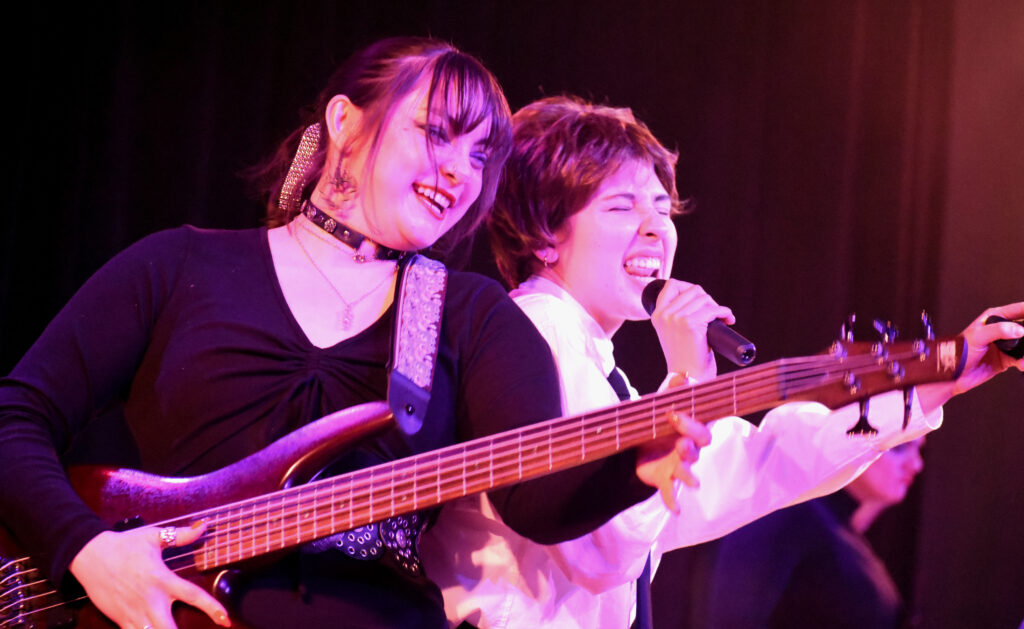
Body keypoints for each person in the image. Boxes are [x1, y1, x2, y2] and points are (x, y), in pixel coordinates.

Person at [0, 40, 699, 629]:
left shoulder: (470, 313)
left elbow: (536, 501)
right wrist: (87, 548)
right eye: (436, 133)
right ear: (344, 122)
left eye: (482, 154)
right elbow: (15, 417)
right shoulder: (180, 265)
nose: (460, 170)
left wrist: (631, 465)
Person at [419, 95, 1024, 628]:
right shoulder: (530, 335)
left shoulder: (605, 370)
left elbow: (761, 465)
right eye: (622, 207)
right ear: (543, 235)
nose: (656, 229)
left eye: (662, 207)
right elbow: (601, 548)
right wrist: (687, 386)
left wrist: (935, 383)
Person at [656, 437, 927, 628]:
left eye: (918, 449)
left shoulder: (839, 531)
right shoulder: (789, 512)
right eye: (901, 447)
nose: (916, 465)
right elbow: (728, 620)